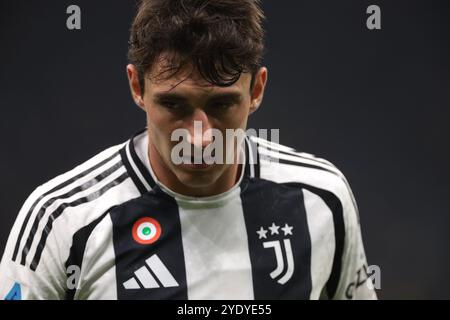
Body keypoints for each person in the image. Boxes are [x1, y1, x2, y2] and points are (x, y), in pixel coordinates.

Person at [0, 0, 376, 300]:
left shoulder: (321, 199)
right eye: (174, 105)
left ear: (256, 90)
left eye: (221, 105)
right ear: (137, 86)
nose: (198, 138)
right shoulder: (62, 222)